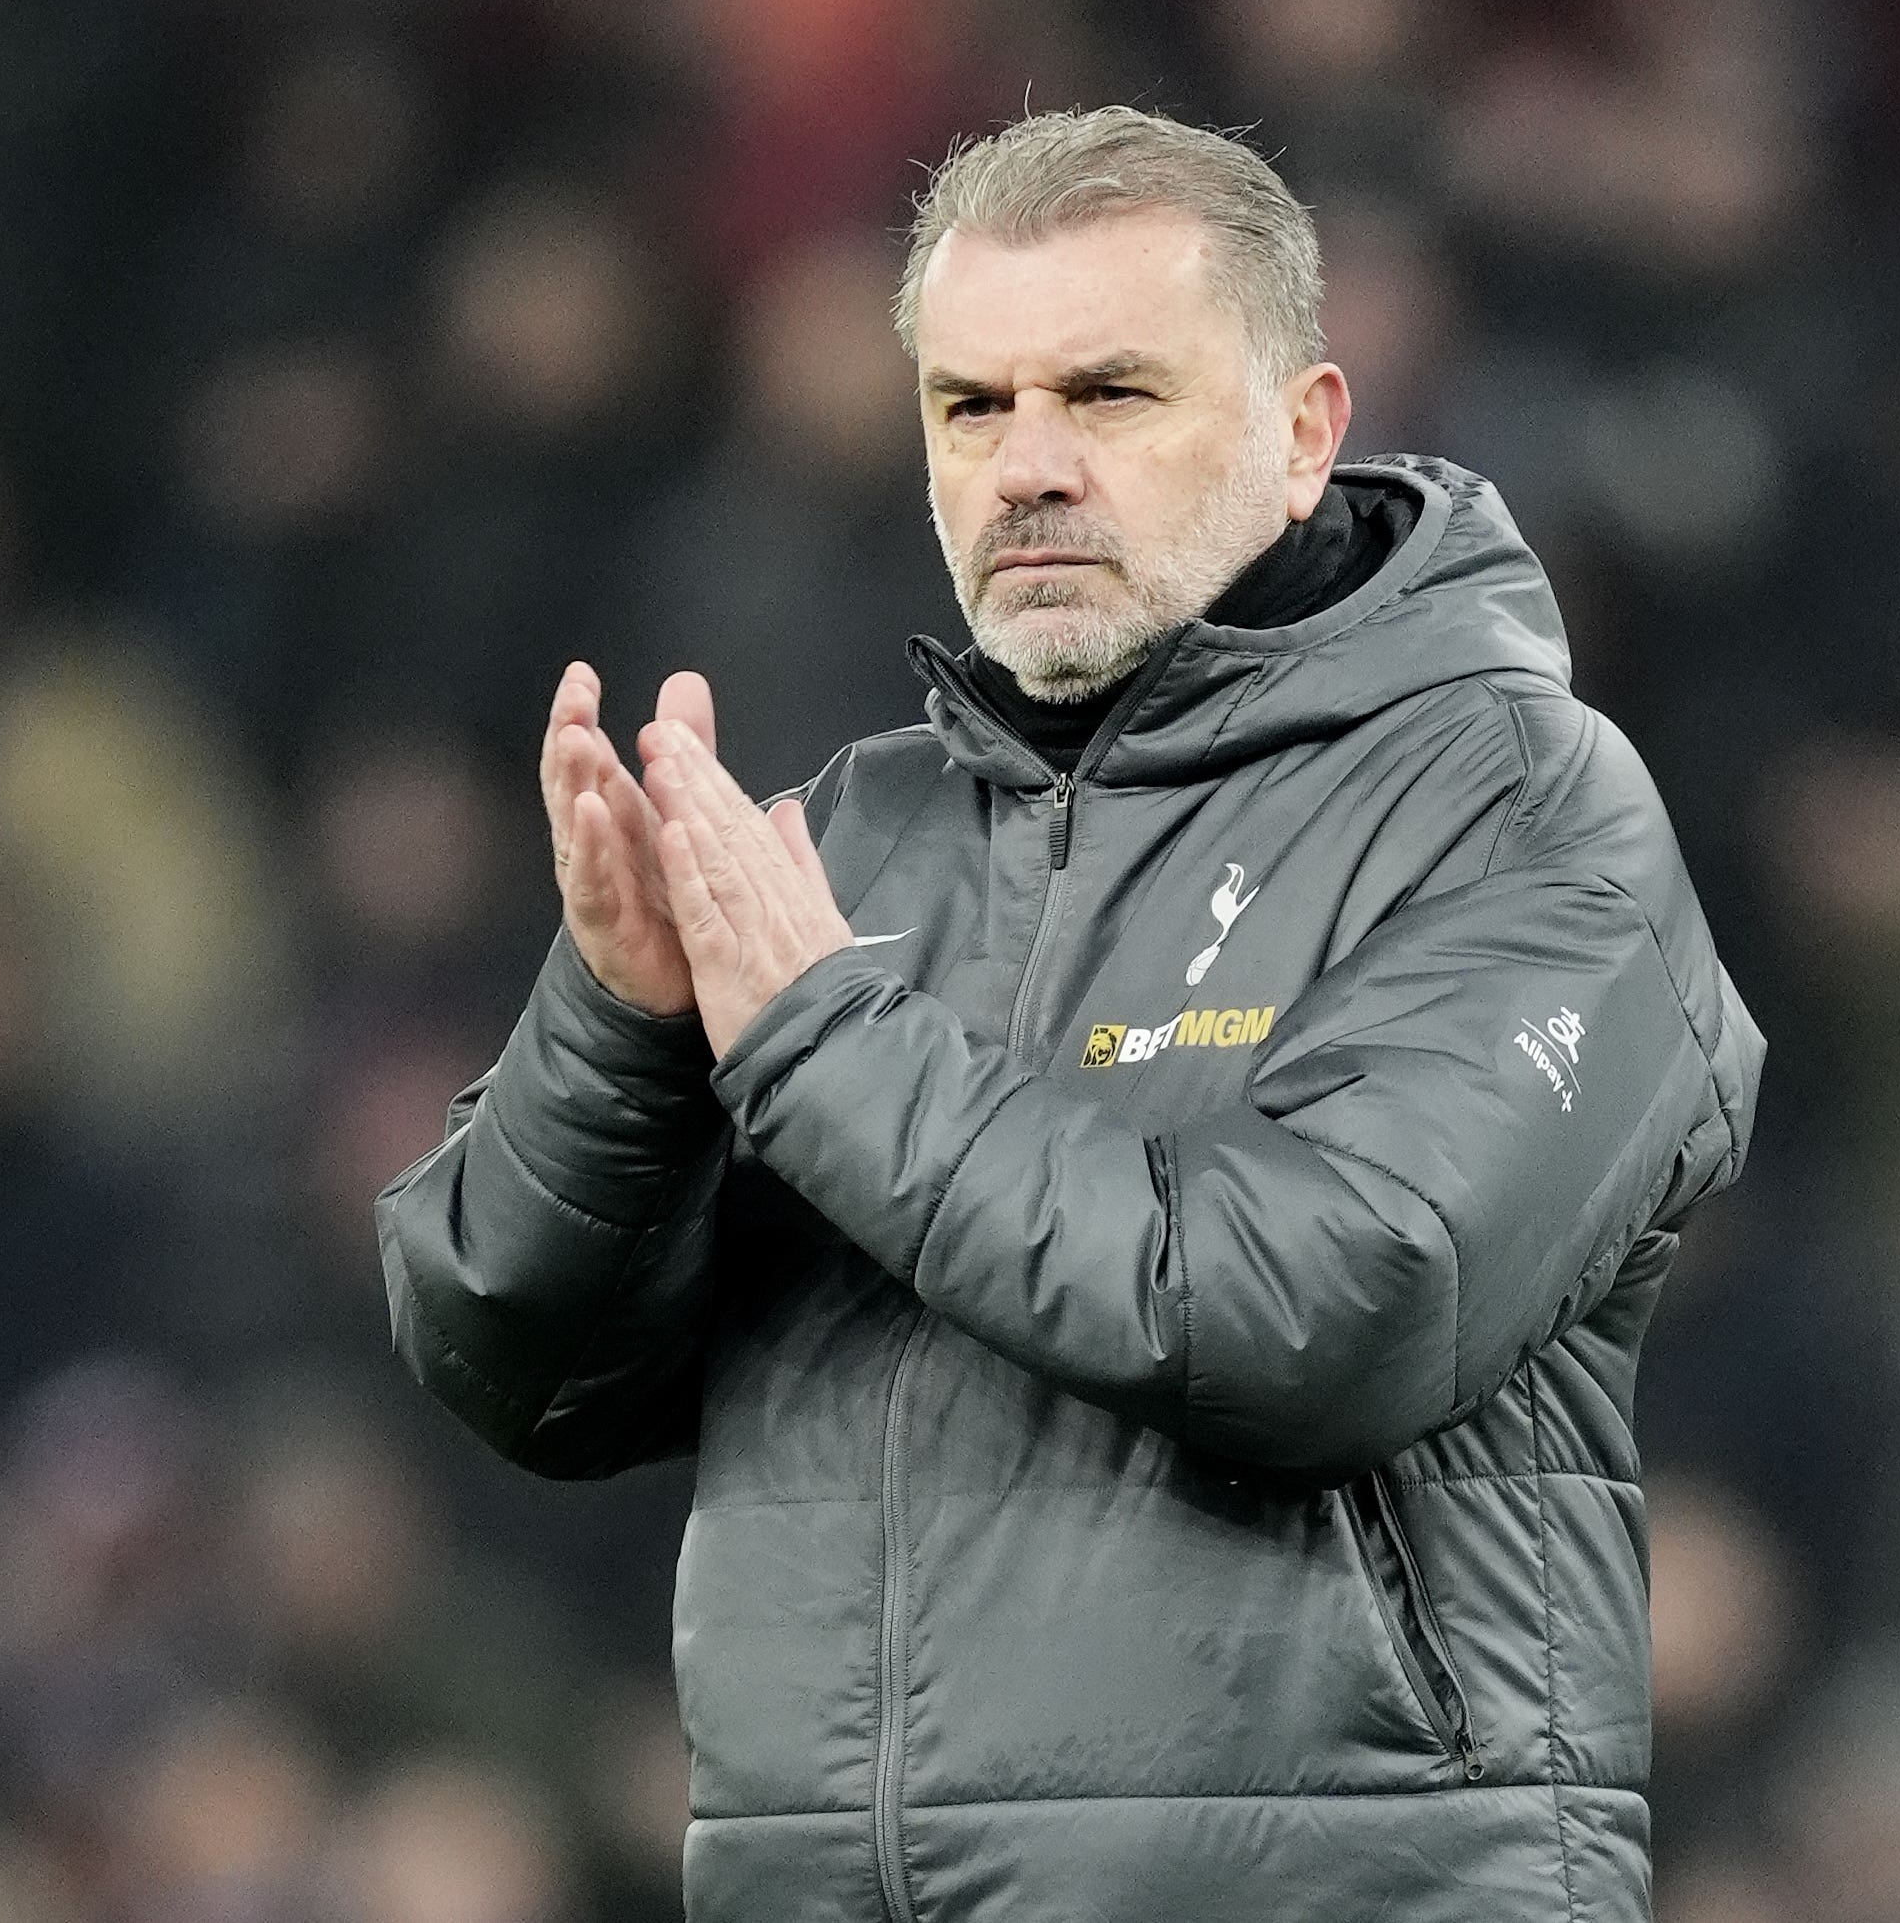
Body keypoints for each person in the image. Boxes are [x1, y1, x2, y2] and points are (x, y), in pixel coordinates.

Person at [377, 106, 1763, 1923]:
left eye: (1106, 396)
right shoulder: (853, 838)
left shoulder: (1512, 804)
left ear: (1301, 434)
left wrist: (818, 1039)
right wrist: (624, 1034)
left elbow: (1329, 1305)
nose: (1025, 465)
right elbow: (519, 1366)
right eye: (971, 406)